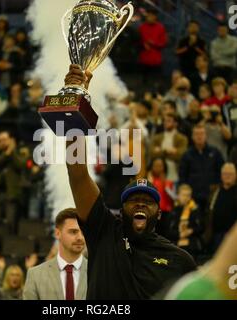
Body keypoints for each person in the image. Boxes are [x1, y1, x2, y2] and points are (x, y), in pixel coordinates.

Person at [63, 64, 196, 300]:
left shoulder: (180, 261)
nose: (141, 204)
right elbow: (77, 173)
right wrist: (76, 100)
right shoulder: (104, 231)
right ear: (121, 210)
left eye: (148, 201)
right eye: (133, 200)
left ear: (159, 213)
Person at [23, 208, 87, 300]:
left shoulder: (99, 274)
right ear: (57, 233)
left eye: (84, 232)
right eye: (73, 232)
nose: (80, 237)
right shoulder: (35, 275)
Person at [0, 131, 27, 230]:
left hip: (11, 195)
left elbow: (21, 165)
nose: (2, 142)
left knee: (11, 225)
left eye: (4, 140)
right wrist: (6, 154)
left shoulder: (20, 152)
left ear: (11, 140)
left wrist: (11, 152)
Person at [179, 124, 224, 211]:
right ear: (192, 137)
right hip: (193, 197)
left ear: (206, 136)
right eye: (197, 134)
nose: (199, 136)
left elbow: (221, 172)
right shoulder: (187, 154)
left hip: (211, 195)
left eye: (202, 134)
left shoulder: (215, 152)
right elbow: (182, 176)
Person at [165, 184, 204, 259]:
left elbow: (202, 227)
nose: (186, 198)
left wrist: (191, 231)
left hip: (192, 246)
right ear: (178, 195)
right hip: (176, 245)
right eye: (183, 195)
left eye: (188, 195)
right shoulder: (173, 211)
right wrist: (179, 234)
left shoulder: (195, 210)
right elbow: (167, 231)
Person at [150, 113, 188, 182]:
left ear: (176, 123)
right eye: (165, 121)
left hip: (175, 173)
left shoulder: (182, 138)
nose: (165, 123)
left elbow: (182, 155)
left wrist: (160, 151)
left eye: (169, 121)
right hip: (159, 175)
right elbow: (152, 154)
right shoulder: (157, 137)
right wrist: (167, 151)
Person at [208, 163, 237, 253]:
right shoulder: (214, 191)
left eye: (230, 174)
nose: (227, 176)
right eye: (225, 173)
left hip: (234, 236)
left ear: (236, 175)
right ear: (221, 175)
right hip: (217, 236)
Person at [138, 9, 167, 91]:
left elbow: (164, 43)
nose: (149, 17)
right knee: (144, 81)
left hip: (156, 59)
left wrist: (154, 43)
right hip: (144, 58)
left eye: (151, 16)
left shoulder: (161, 27)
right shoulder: (142, 27)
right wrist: (143, 44)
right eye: (148, 16)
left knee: (156, 81)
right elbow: (137, 40)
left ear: (155, 17)